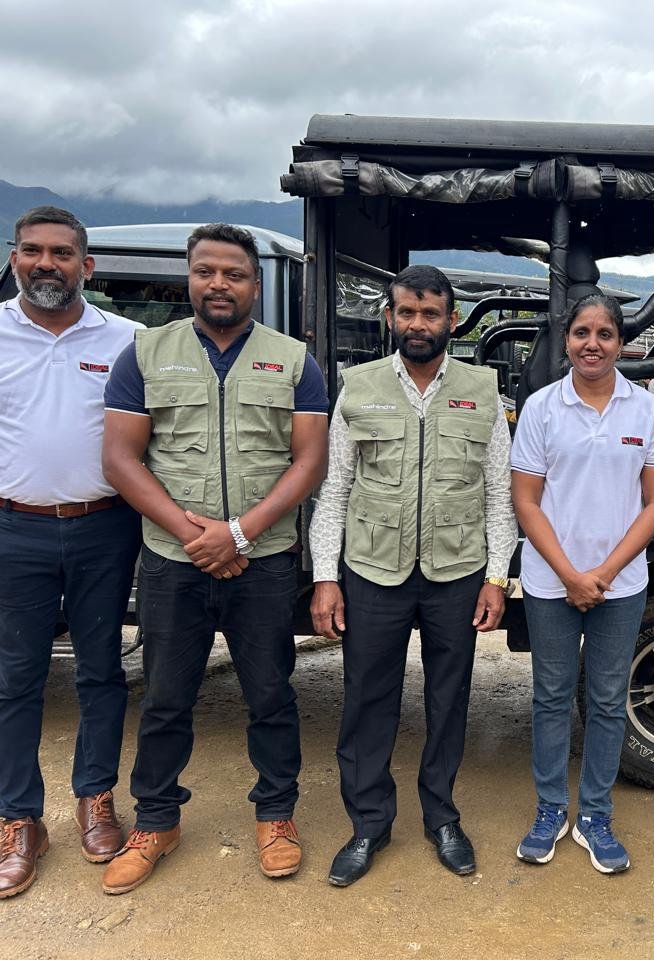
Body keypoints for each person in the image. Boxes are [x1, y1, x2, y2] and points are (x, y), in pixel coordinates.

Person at [99, 223, 329, 894]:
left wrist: (240, 534)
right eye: (206, 271)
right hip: (174, 561)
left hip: (263, 562)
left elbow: (309, 460)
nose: (219, 284)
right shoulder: (146, 355)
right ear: (189, 278)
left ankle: (276, 816)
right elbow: (120, 459)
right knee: (165, 697)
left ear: (255, 285)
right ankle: (156, 820)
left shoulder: (294, 361)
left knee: (270, 693)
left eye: (233, 273)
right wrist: (194, 534)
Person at [310, 265, 516, 886]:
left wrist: (496, 578)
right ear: (390, 318)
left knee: (449, 700)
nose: (417, 324)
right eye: (407, 312)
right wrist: (326, 577)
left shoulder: (482, 390)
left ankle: (442, 817)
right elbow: (335, 490)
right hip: (374, 570)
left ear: (452, 320)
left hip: (457, 570)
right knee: (367, 699)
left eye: (430, 314)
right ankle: (369, 823)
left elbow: (498, 494)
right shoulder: (359, 388)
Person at [0, 207, 142, 898]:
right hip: (13, 527)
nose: (45, 263)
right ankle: (19, 817)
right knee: (15, 678)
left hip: (103, 527)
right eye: (32, 251)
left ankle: (95, 797)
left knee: (101, 670)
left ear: (87, 266)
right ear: (14, 258)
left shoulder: (127, 339)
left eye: (61, 253)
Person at [510, 294, 654, 873]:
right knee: (551, 697)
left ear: (621, 343)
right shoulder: (541, 408)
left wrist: (602, 574)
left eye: (605, 333)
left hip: (619, 585)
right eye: (582, 332)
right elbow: (526, 501)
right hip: (551, 582)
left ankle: (596, 816)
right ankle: (551, 809)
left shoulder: (645, 410)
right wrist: (570, 574)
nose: (593, 344)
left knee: (607, 700)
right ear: (567, 340)